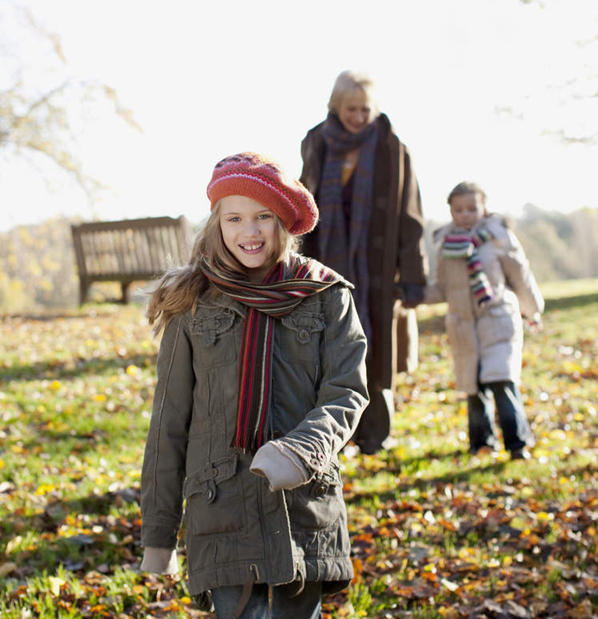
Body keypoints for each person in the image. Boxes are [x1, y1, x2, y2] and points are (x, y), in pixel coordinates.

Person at [139, 152, 368, 619]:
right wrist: (158, 536)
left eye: (263, 216)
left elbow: (347, 393)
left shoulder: (326, 296)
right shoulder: (193, 303)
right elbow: (168, 425)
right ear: (217, 223)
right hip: (221, 508)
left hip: (302, 507)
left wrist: (301, 451)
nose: (250, 231)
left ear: (283, 221)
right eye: (235, 217)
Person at [299, 71, 427, 454]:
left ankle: (376, 434)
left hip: (378, 267)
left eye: (365, 109)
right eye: (351, 109)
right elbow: (305, 203)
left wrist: (413, 275)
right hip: (328, 263)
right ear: (336, 107)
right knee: (329, 349)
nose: (358, 116)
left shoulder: (392, 147)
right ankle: (336, 435)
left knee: (376, 348)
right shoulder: (317, 141)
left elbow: (410, 214)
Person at [424, 181, 544, 460]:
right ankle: (481, 443)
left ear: (483, 207)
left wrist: (533, 308)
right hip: (463, 325)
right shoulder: (446, 245)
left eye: (471, 208)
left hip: (498, 319)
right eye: (458, 210)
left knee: (502, 381)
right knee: (474, 387)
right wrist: (412, 296)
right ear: (451, 211)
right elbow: (442, 287)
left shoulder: (499, 238)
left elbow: (520, 276)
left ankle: (517, 443)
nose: (465, 214)